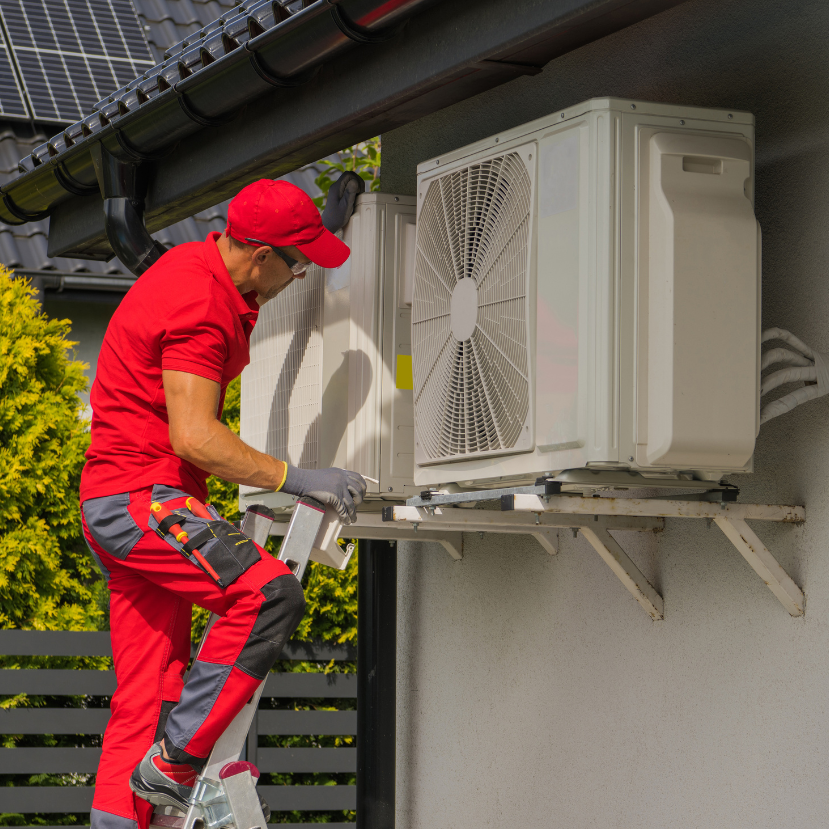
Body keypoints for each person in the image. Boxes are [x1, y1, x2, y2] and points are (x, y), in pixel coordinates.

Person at [80, 174, 367, 829]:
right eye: (296, 264)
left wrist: (324, 226)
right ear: (261, 255)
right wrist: (297, 477)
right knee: (268, 595)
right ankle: (173, 768)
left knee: (148, 693)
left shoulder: (202, 267)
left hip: (115, 498)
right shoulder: (200, 303)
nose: (299, 278)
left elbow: (274, 260)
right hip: (142, 499)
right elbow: (196, 435)